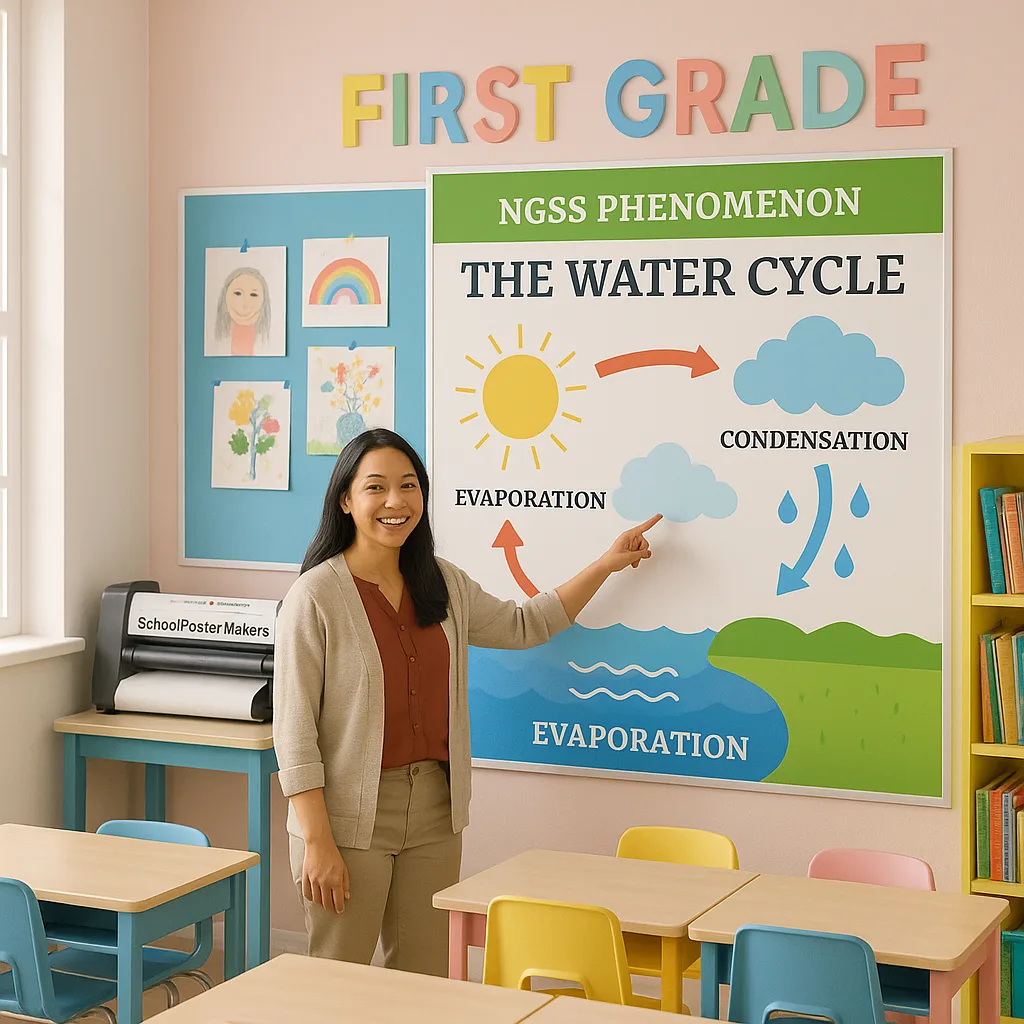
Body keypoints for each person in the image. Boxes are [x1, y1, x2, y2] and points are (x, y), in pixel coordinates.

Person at [273, 428, 661, 976]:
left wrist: (605, 564)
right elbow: (293, 735)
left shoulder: (443, 584)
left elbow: (526, 624)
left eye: (409, 486)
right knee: (339, 980)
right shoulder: (314, 596)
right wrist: (317, 841)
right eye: (376, 487)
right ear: (345, 500)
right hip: (343, 818)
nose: (395, 502)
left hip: (435, 811)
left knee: (427, 977)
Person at [215, 266, 271, 355]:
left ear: (264, 301)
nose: (245, 305)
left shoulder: (268, 345)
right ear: (225, 297)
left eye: (253, 295)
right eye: (237, 293)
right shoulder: (217, 344)